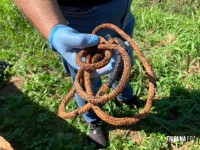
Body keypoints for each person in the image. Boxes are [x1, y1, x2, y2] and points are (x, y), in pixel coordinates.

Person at [15, 0, 142, 148]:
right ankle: (94, 121)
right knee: (86, 81)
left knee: (122, 63)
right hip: (80, 14)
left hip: (122, 11)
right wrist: (54, 29)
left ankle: (124, 96)